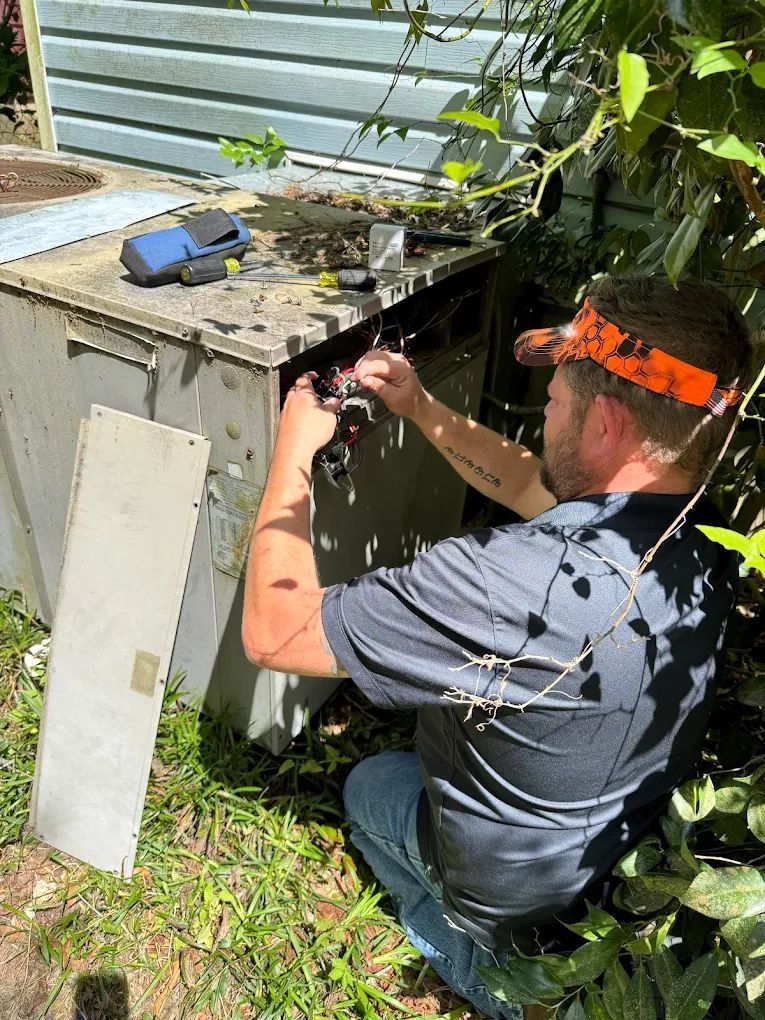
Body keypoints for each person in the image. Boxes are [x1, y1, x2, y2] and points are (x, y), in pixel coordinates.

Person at [242, 275, 752, 1018]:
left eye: (552, 400)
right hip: (602, 866)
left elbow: (275, 631)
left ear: (604, 423)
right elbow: (529, 482)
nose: (543, 411)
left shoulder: (510, 584)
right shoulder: (699, 535)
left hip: (509, 899)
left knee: (366, 788)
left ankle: (499, 980)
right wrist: (417, 406)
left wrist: (291, 453)